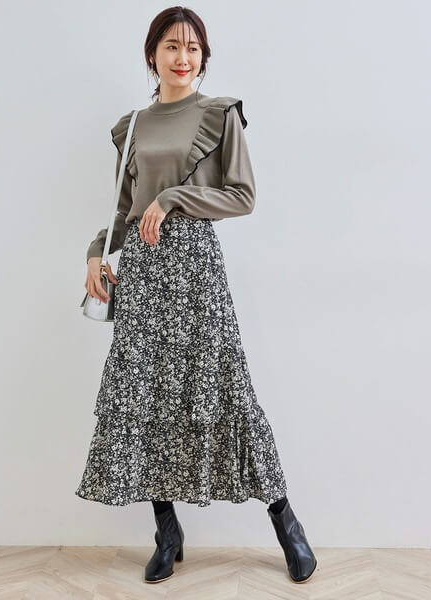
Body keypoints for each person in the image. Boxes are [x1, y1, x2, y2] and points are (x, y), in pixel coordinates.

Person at [75, 5, 317, 585]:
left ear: (203, 57)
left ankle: (285, 521)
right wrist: (95, 252)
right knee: (144, 396)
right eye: (171, 46)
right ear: (152, 55)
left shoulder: (220, 114)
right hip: (143, 271)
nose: (182, 57)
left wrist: (174, 197)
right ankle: (167, 531)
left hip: (197, 272)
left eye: (192, 48)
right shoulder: (132, 127)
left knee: (228, 388)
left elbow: (242, 196)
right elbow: (124, 208)